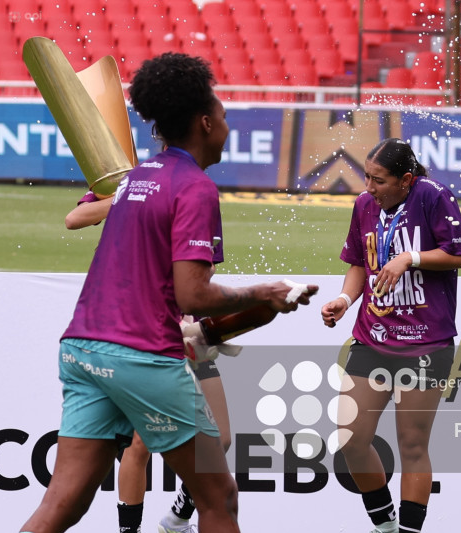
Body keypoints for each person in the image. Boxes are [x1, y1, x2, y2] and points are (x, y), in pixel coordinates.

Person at [20, 52, 318, 533]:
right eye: (222, 116)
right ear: (204, 122)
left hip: (81, 351)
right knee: (218, 497)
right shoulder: (195, 188)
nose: (226, 126)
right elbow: (194, 297)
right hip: (141, 360)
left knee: (63, 504)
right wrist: (262, 293)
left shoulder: (136, 178)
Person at [320, 138, 461, 533]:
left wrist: (410, 258)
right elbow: (358, 262)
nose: (369, 187)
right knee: (351, 440)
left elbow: (458, 255)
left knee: (412, 445)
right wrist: (344, 299)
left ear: (406, 179)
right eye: (366, 177)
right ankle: (385, 524)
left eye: (379, 180)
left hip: (425, 342)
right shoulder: (364, 205)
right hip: (372, 337)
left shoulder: (434, 197)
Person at [67, 181, 231, 533]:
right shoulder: (128, 181)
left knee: (222, 438)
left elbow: (208, 265)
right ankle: (130, 530)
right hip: (142, 334)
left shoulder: (197, 189)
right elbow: (74, 218)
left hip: (187, 330)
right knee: (140, 442)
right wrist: (122, 200)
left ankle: (176, 519)